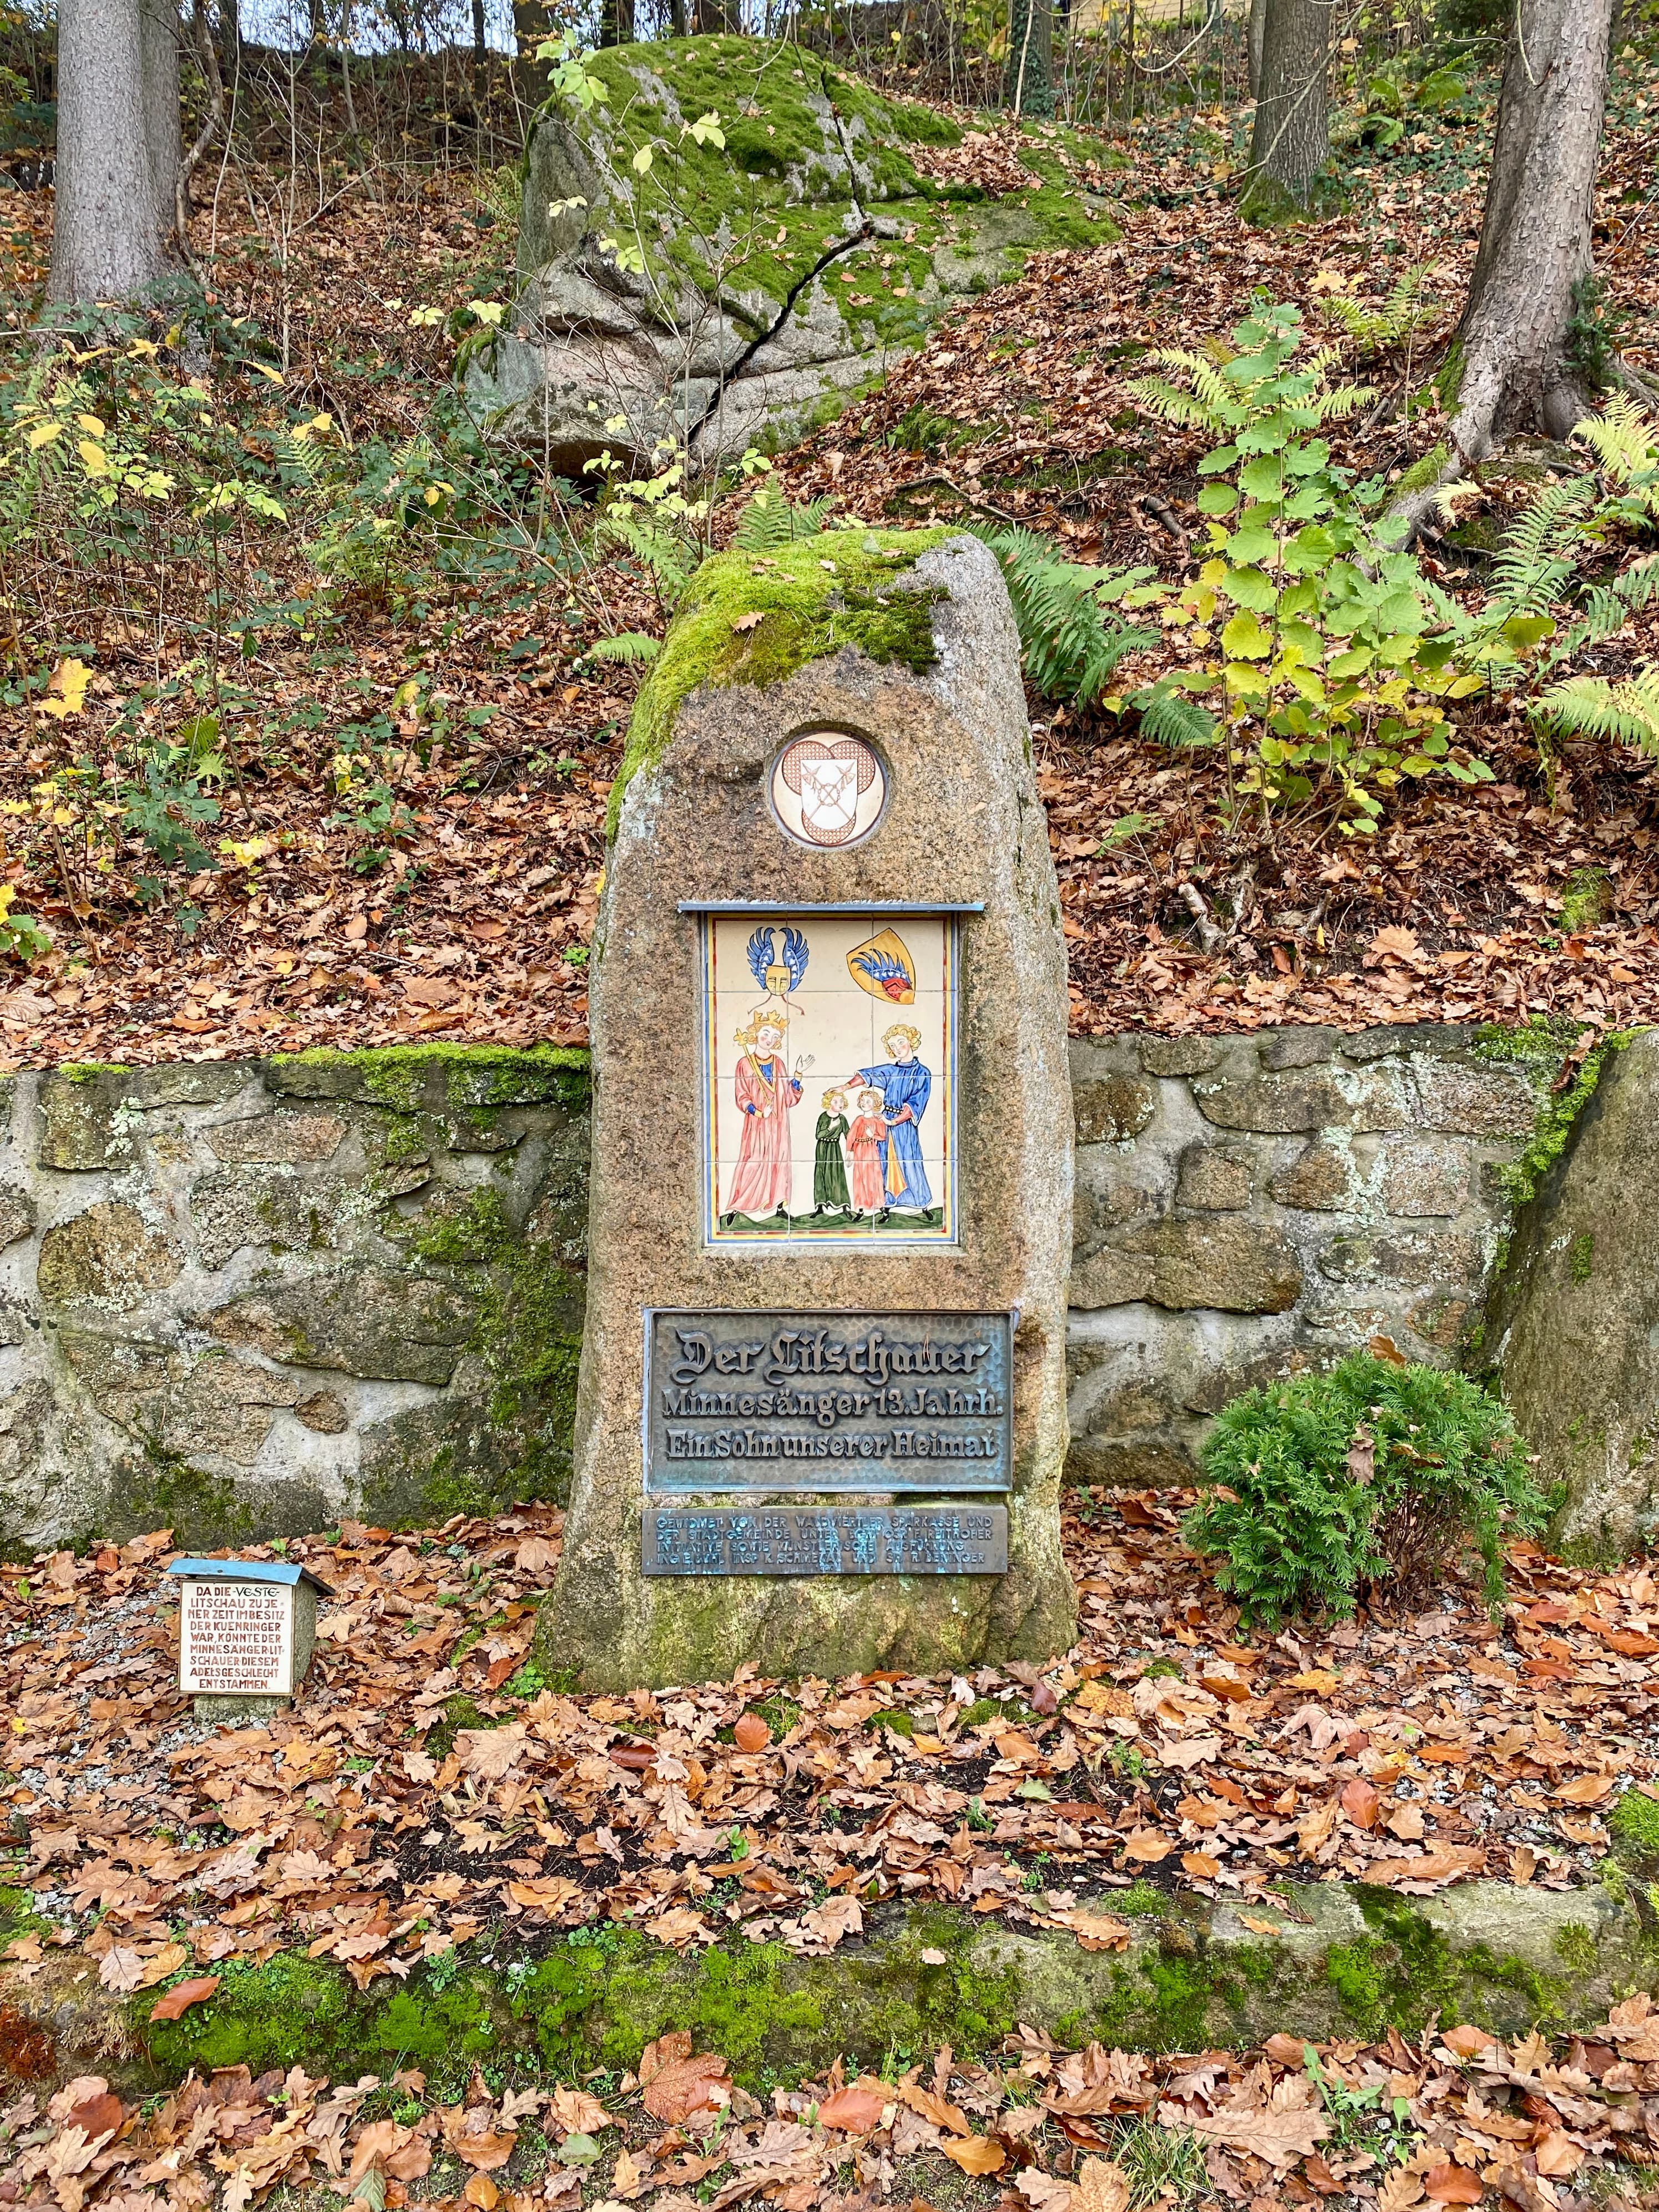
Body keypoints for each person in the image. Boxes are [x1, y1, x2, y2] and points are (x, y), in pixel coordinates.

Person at [724, 1013, 802, 1222]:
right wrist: (758, 1112)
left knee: (779, 1161)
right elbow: (742, 1096)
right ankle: (737, 1208)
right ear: (756, 1033)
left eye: (775, 1036)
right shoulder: (745, 1063)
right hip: (758, 1124)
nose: (770, 1039)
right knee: (754, 1160)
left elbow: (788, 1098)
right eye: (766, 1033)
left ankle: (778, 1205)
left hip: (778, 1123)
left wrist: (798, 1075)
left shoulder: (778, 1063)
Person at [851, 1023, 932, 1212]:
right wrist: (845, 1088)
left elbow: (915, 1105)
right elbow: (866, 1077)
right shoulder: (891, 1070)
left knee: (909, 1158)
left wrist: (893, 1121)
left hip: (903, 1125)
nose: (897, 1049)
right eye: (893, 1046)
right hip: (885, 1122)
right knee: (884, 1160)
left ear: (911, 1042)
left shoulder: (923, 1073)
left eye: (901, 1043)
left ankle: (919, 1200)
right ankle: (887, 1198)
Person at [847, 1088, 889, 1216]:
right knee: (860, 1179)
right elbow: (851, 1136)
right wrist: (849, 1151)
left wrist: (872, 1135)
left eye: (868, 1101)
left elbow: (883, 1136)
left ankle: (880, 1206)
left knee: (874, 1177)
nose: (865, 1103)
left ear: (874, 1104)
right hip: (859, 1150)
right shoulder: (859, 1120)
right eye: (863, 1101)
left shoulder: (878, 1121)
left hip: (871, 1150)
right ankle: (861, 1209)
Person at [813, 1089, 851, 1215]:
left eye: (841, 1101)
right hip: (822, 1147)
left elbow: (849, 1135)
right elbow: (818, 1135)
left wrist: (851, 1151)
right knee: (821, 1174)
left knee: (837, 1175)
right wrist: (831, 1127)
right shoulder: (823, 1117)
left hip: (835, 1148)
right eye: (835, 1101)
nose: (839, 1104)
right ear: (829, 1102)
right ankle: (820, 1207)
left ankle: (845, 1207)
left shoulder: (843, 1119)